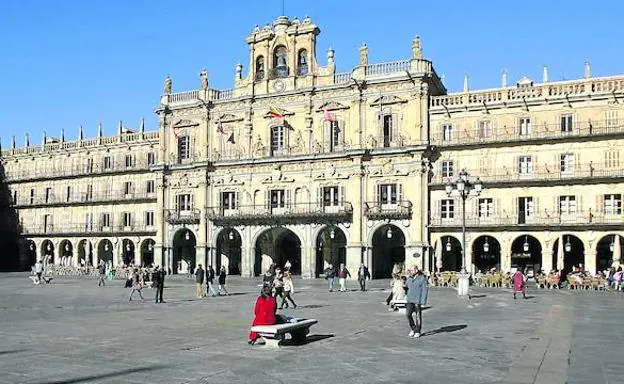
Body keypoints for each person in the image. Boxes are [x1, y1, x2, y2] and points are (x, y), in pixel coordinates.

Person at [405, 265, 428, 338]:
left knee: (418, 316)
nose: (410, 272)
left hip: (418, 300)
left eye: (412, 270)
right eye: (410, 270)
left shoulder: (422, 279)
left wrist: (423, 301)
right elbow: (406, 286)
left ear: (416, 270)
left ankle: (418, 331)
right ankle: (413, 328)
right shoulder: (409, 278)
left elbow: (425, 290)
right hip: (410, 299)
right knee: (408, 314)